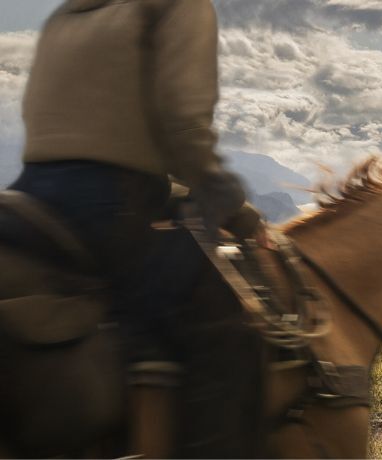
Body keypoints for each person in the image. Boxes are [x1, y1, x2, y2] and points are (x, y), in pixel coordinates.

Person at [9, 0, 260, 455]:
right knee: (225, 318)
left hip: (30, 196)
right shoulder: (177, 6)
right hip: (113, 202)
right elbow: (184, 124)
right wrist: (229, 203)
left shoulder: (66, 14)